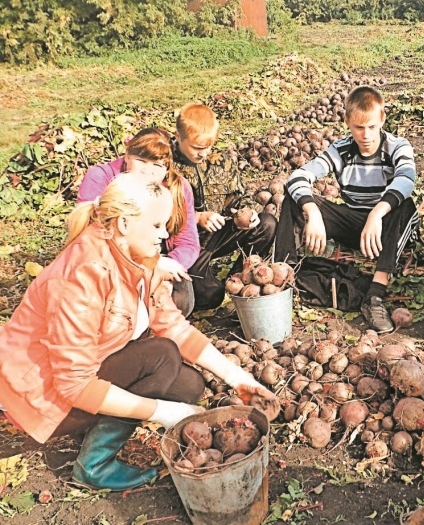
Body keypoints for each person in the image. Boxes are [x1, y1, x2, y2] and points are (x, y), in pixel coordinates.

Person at [0, 174, 278, 491]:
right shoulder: (82, 275)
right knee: (161, 357)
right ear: (123, 224)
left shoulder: (137, 257)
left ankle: (99, 427)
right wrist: (162, 412)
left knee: (189, 384)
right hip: (34, 395)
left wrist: (239, 379)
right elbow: (73, 385)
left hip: (77, 375)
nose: (166, 234)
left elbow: (173, 325)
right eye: (157, 225)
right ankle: (94, 465)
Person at [273, 85, 419, 333]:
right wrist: (313, 211)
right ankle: (282, 277)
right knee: (292, 200)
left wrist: (377, 213)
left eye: (372, 127)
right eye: (358, 128)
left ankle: (375, 295)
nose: (366, 135)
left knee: (404, 204)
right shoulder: (340, 150)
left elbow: (407, 178)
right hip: (355, 224)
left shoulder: (397, 146)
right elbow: (298, 177)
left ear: (382, 118)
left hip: (387, 224)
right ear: (347, 122)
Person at [78, 127, 199, 316]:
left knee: (182, 300)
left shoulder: (179, 188)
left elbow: (188, 243)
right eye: (141, 161)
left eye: (157, 166)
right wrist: (150, 267)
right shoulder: (101, 178)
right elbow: (90, 239)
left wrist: (164, 267)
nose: (147, 171)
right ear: (127, 155)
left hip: (156, 256)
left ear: (167, 168)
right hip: (109, 261)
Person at [171, 103, 278, 311]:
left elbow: (239, 196)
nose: (203, 154)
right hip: (185, 244)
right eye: (196, 148)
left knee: (267, 224)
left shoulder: (221, 162)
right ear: (178, 136)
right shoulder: (163, 164)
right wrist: (197, 217)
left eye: (208, 147)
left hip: (219, 234)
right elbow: (156, 210)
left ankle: (240, 275)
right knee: (210, 296)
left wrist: (246, 211)